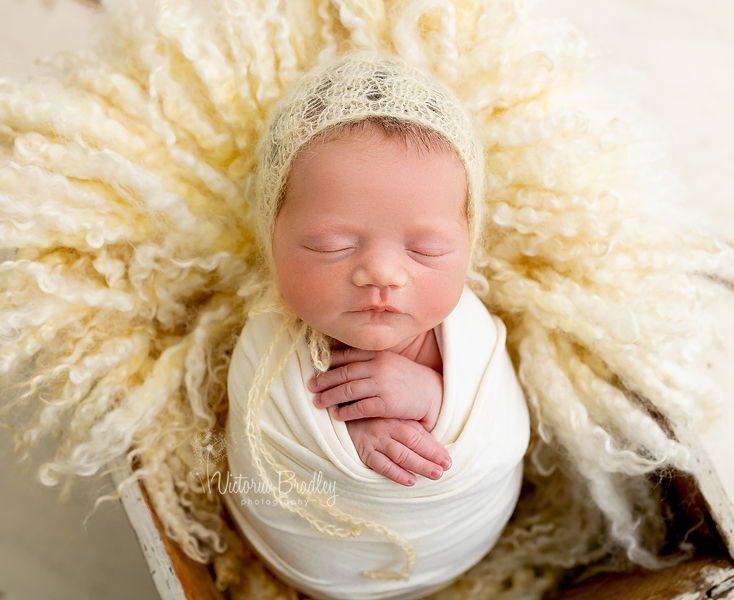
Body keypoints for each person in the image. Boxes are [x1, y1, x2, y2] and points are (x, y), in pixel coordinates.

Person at [222, 52, 531, 600]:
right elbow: (259, 433)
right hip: (306, 562)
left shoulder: (470, 337)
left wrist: (436, 398)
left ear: (467, 247)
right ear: (271, 236)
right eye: (332, 245)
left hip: (452, 549)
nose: (383, 273)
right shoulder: (268, 344)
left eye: (427, 249)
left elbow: (499, 432)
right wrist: (348, 432)